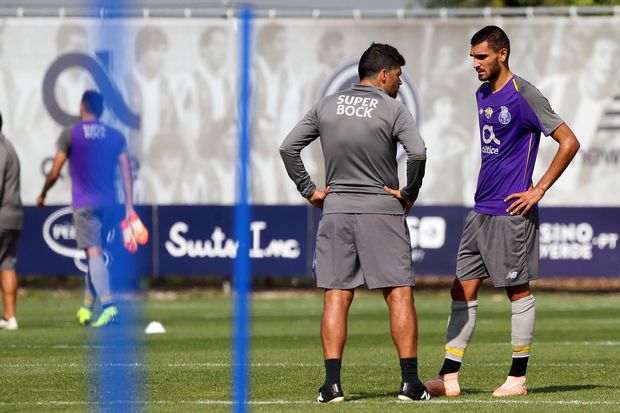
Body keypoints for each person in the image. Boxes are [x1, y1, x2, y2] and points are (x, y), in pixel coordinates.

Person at [423, 25, 580, 398]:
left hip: (511, 213)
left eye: (481, 56)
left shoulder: (524, 95)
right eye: (472, 57)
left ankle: (517, 379)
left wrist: (537, 190)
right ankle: (449, 377)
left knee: (516, 290)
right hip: (480, 209)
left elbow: (569, 141)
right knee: (461, 288)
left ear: (502, 54)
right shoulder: (481, 93)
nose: (474, 63)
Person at [280, 43, 430, 403]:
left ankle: (332, 386)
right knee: (399, 293)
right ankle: (410, 384)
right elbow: (418, 153)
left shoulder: (327, 105)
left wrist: (309, 190)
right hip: (382, 211)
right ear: (383, 74)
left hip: (336, 211)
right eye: (397, 76)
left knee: (336, 295)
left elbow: (288, 147)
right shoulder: (393, 109)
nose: (399, 83)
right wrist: (409, 193)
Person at [37, 90, 136, 327]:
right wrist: (129, 208)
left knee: (93, 255)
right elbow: (127, 174)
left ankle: (109, 307)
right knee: (95, 256)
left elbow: (55, 171)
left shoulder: (71, 134)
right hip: (110, 204)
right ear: (102, 110)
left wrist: (43, 193)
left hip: (84, 204)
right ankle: (87, 307)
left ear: (82, 106)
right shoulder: (116, 135)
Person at [0, 112, 23, 331]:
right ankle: (10, 317)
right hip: (14, 217)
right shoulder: (9, 146)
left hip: (1, 216)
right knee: (7, 264)